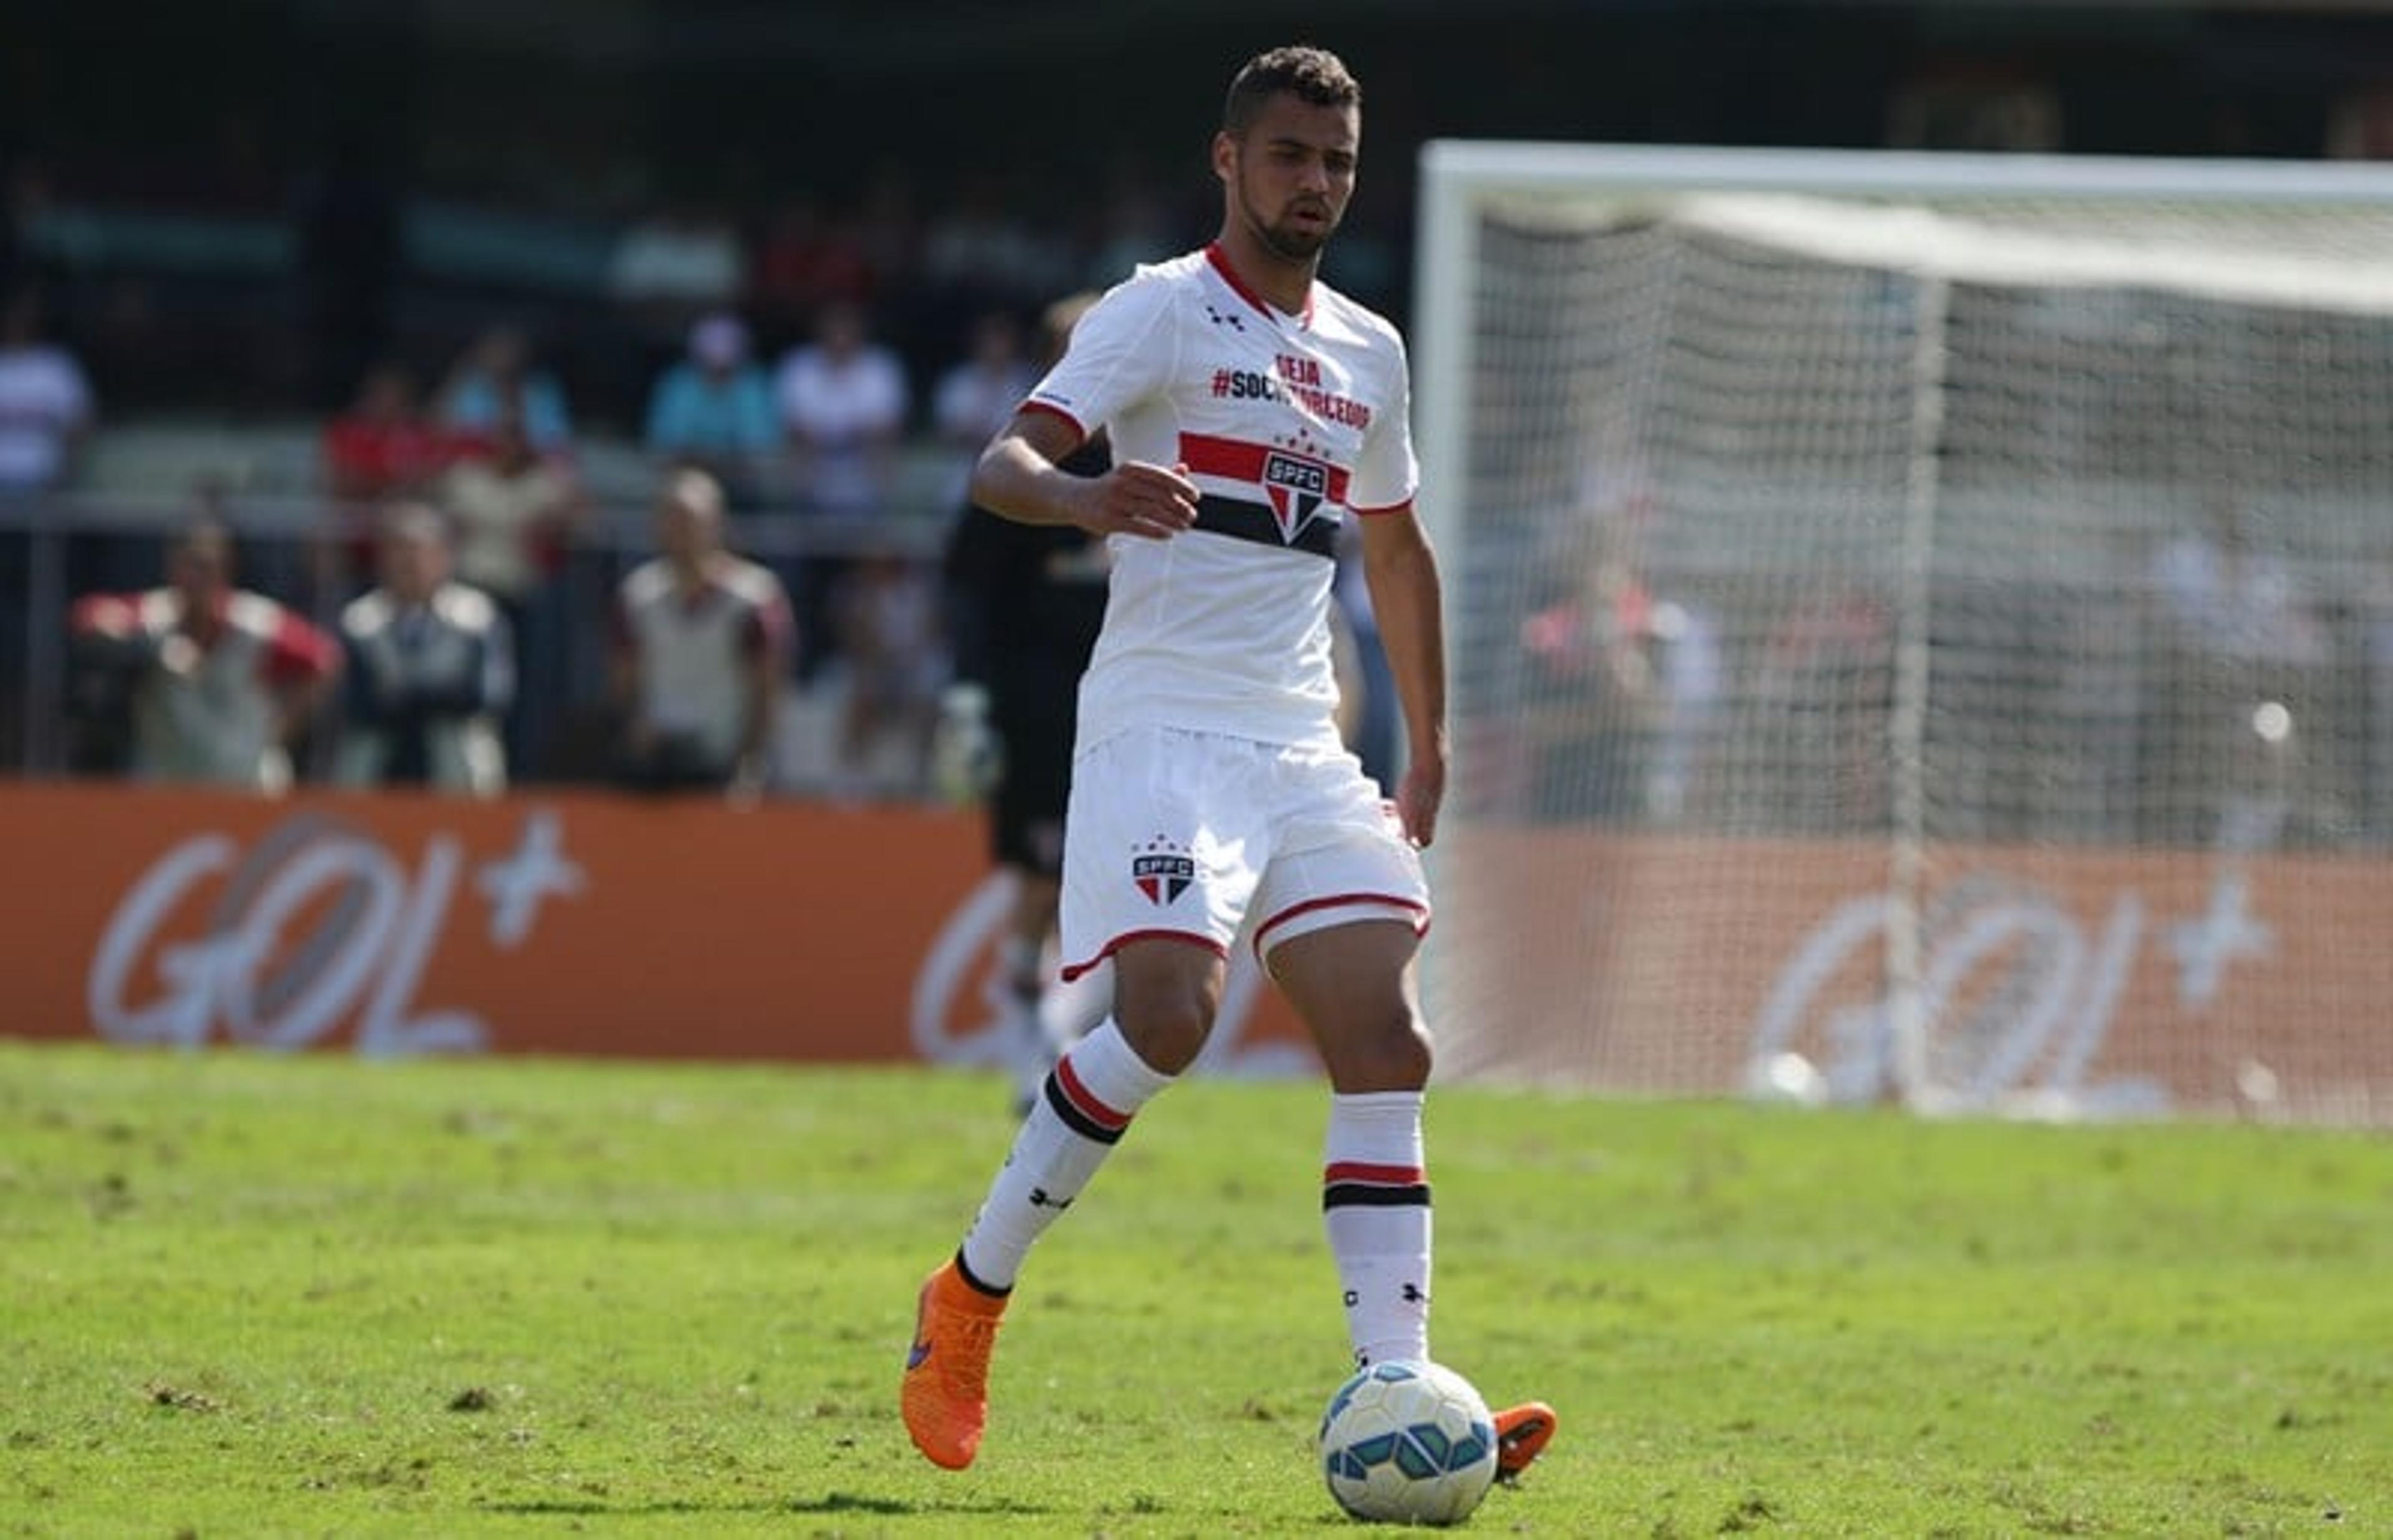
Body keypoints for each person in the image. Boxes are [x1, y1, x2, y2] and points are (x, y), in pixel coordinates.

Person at [899, 44, 1556, 1483]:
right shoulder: (1157, 312)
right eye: (1286, 157)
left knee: (1387, 1043)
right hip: (1160, 726)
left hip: (1299, 740)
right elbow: (1002, 465)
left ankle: (1398, 1391)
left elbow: (1394, 548)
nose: (1312, 183)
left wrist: (1426, 742)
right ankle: (968, 1297)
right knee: (1168, 1018)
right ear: (1227, 160)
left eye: (1333, 162)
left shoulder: (1368, 352)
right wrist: (1083, 496)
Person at [936, 290, 1113, 1109]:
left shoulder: (1165, 446)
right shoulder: (1021, 464)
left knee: (1121, 882)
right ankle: (1028, 1047)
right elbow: (969, 589)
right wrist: (972, 694)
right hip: (1042, 703)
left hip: (1134, 704)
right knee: (1042, 878)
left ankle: (1076, 1041)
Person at [67, 518, 340, 792]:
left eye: (208, 567)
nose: (197, 578)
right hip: (167, 781)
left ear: (227, 569)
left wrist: (279, 730)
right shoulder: (152, 618)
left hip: (246, 781)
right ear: (172, 566)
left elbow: (326, 660)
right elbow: (87, 618)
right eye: (189, 565)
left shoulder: (256, 626)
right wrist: (153, 648)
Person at [609, 467, 793, 798]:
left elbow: (768, 686)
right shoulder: (639, 595)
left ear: (716, 523)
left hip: (722, 761)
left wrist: (751, 762)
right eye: (670, 519)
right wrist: (633, 731)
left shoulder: (752, 597)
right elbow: (624, 680)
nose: (679, 531)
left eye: (689, 520)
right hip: (655, 765)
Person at [333, 505, 513, 796]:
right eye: (399, 553)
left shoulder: (477, 618)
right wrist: (434, 694)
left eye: (420, 552)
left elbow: (485, 696)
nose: (410, 563)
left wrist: (402, 696)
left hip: (457, 776)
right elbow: (357, 703)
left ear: (445, 557)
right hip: (377, 775)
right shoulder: (360, 621)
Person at [642, 311, 780, 507]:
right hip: (685, 484)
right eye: (711, 368)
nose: (718, 376)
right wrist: (709, 465)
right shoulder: (678, 384)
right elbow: (665, 448)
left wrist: (716, 463)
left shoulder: (753, 386)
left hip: (743, 489)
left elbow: (761, 453)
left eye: (725, 370)